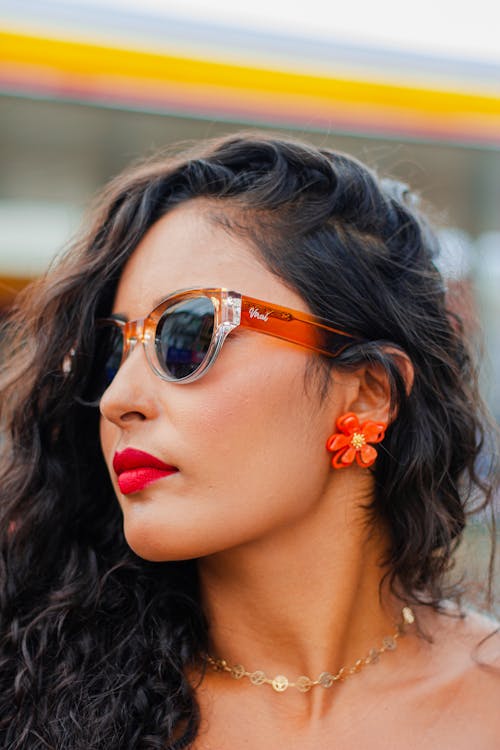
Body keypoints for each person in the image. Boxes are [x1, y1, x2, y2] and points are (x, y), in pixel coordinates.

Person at [0, 133, 498, 750]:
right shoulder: (32, 694)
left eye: (186, 334)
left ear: (369, 390)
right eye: (111, 353)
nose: (116, 398)